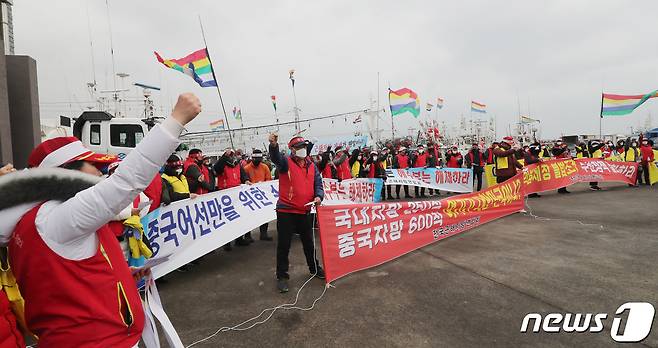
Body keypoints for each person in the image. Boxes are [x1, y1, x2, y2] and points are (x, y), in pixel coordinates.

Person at [0, 93, 200, 347]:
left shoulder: (34, 221)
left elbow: (65, 282)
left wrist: (122, 276)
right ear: (64, 174)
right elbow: (126, 183)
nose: (100, 172)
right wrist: (176, 119)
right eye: (92, 165)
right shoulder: (58, 218)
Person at [268, 134, 325, 293]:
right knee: (284, 245)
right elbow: (275, 158)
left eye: (304, 147)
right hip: (286, 211)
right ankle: (282, 277)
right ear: (292, 150)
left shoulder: (312, 165)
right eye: (299, 148)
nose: (302, 150)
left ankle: (314, 268)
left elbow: (318, 184)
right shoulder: (285, 162)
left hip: (305, 210)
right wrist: (273, 145)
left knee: (309, 243)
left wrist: (318, 196)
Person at [214, 149, 252, 249]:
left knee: (239, 218)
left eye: (233, 155)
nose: (232, 157)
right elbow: (216, 168)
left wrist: (247, 180)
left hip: (237, 195)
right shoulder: (222, 165)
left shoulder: (237, 165)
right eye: (230, 156)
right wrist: (224, 156)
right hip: (225, 196)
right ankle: (226, 243)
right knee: (227, 219)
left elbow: (243, 175)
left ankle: (239, 239)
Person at [244, 149, 274, 241]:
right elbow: (244, 181)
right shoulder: (247, 168)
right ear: (252, 158)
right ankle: (248, 236)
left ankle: (263, 234)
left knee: (264, 215)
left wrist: (263, 184)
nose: (257, 160)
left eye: (259, 159)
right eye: (255, 158)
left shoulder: (264, 167)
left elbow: (268, 180)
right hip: (251, 197)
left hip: (262, 196)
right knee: (248, 217)